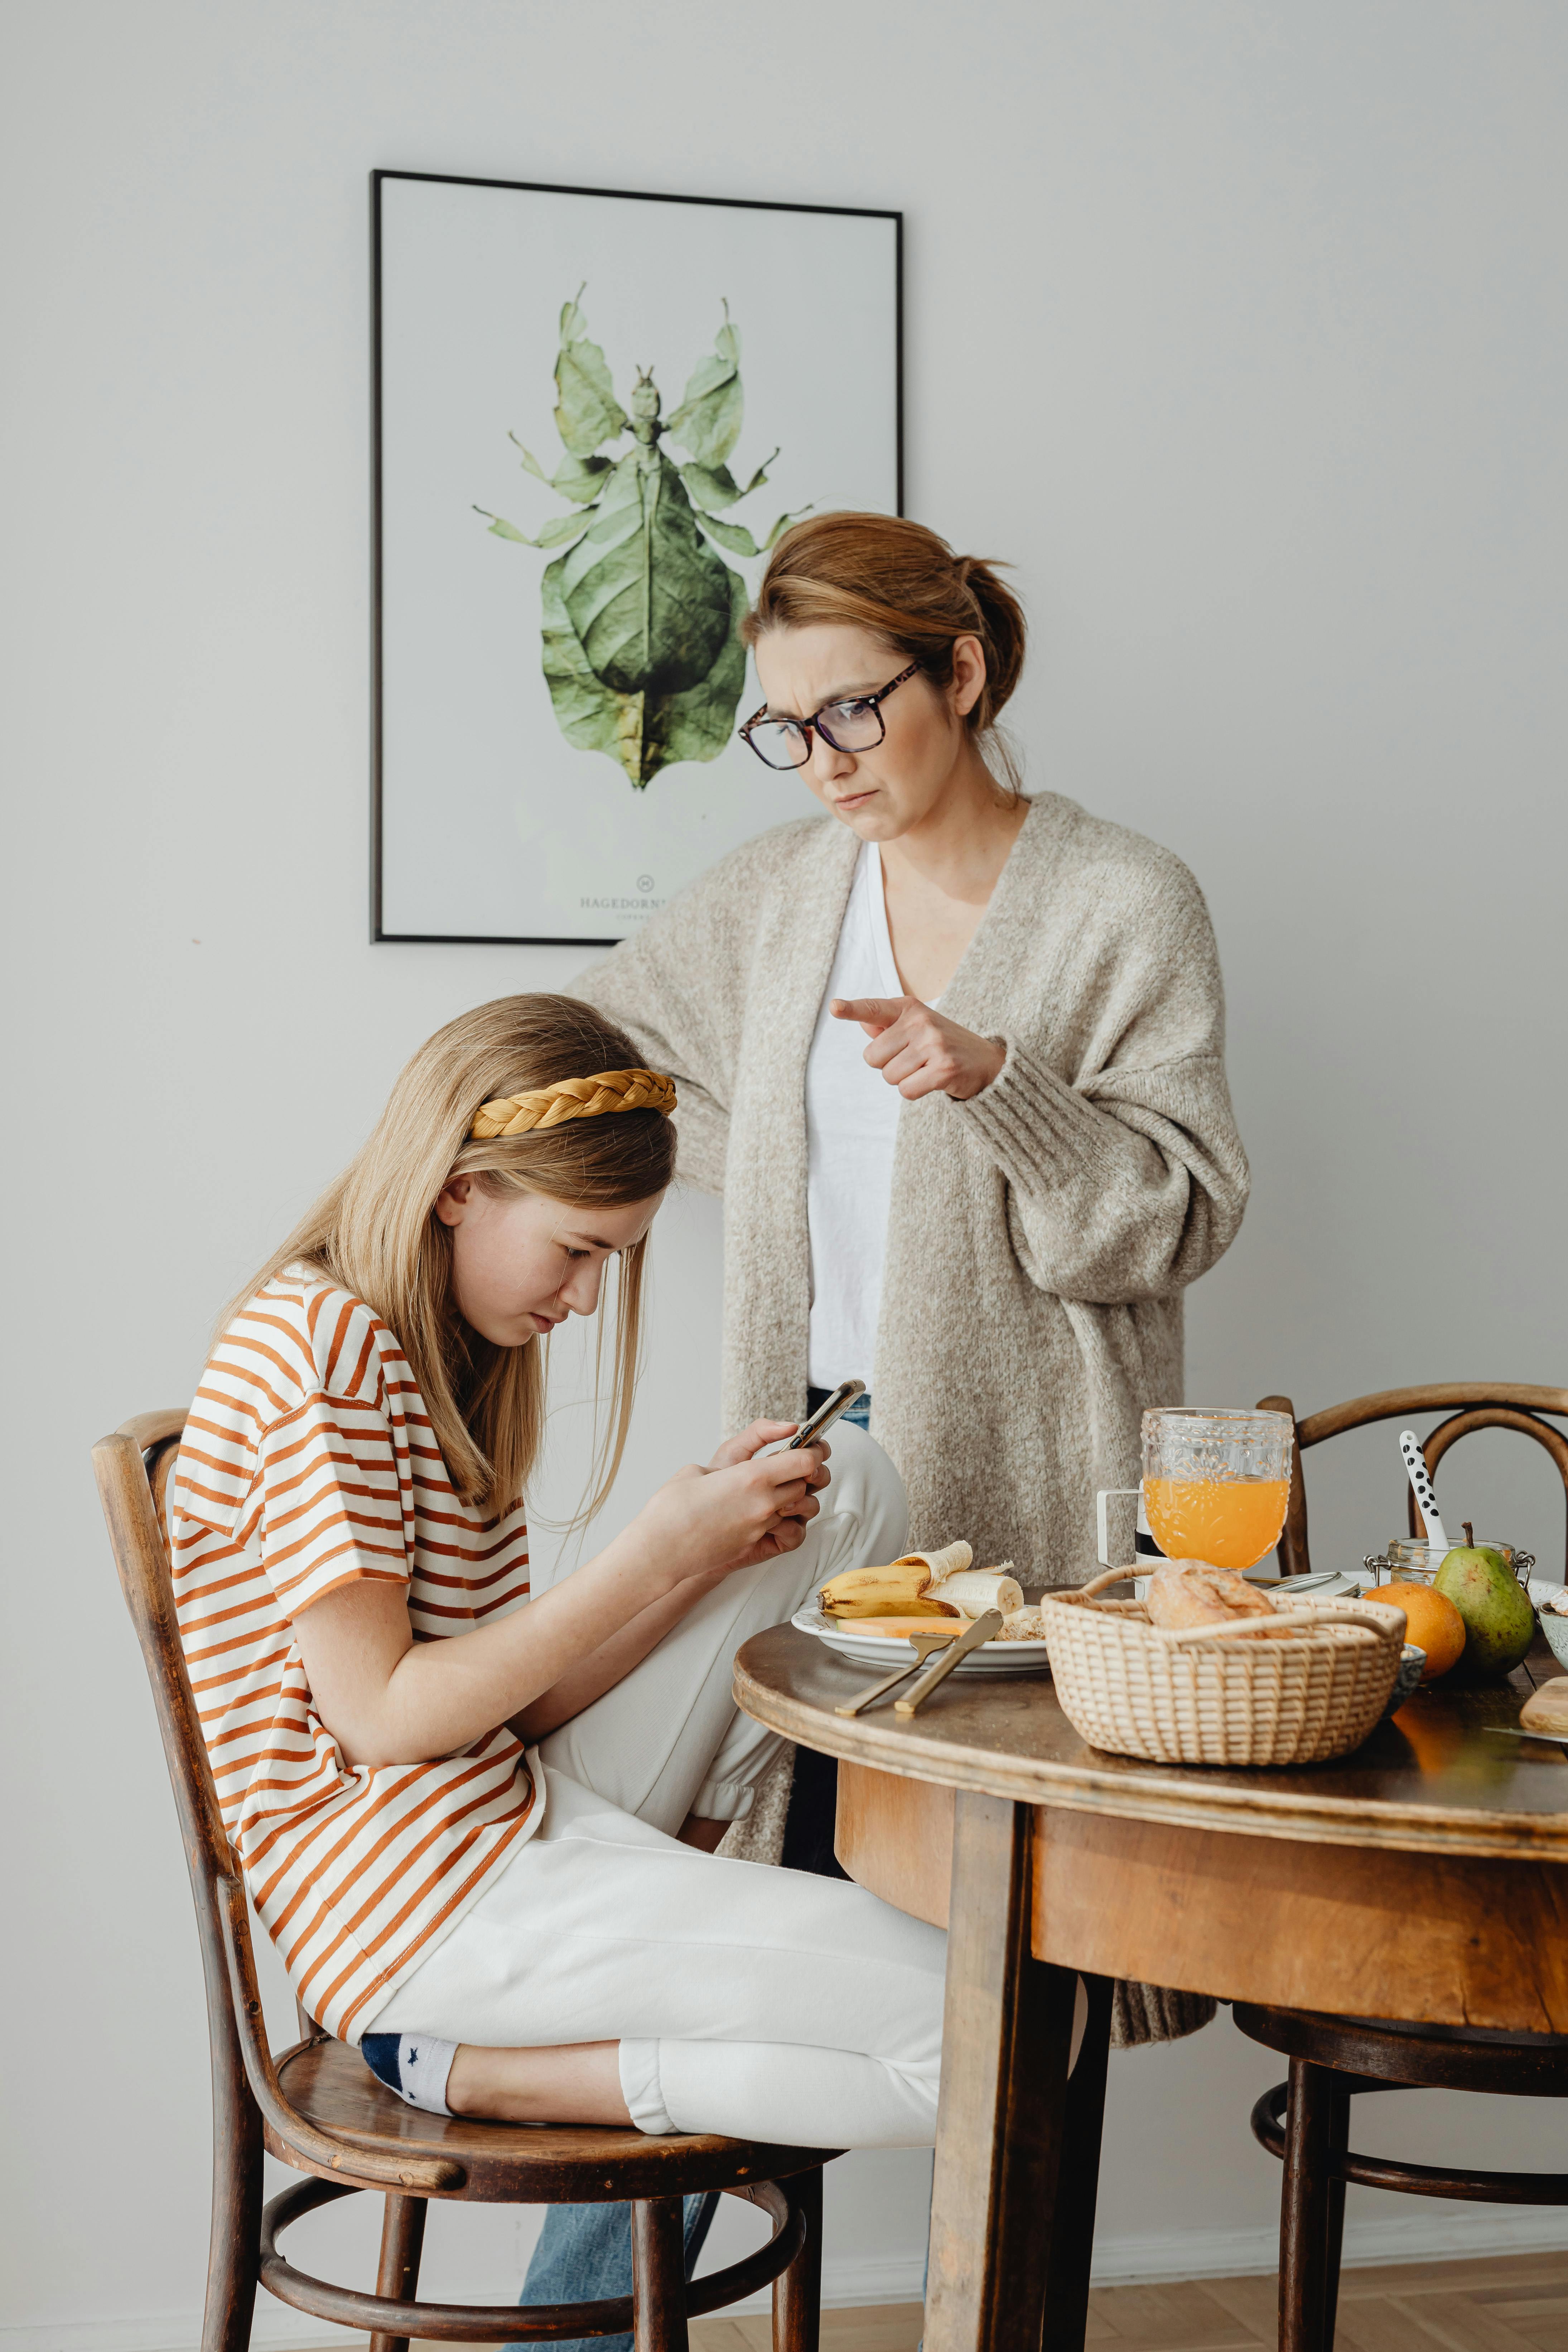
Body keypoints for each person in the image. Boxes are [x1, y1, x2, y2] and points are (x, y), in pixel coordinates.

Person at [167, 993, 945, 2147]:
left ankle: (657, 1891)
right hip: (412, 1901)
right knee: (982, 2013)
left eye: (611, 1259)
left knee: (851, 1483)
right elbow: (382, 1720)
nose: (585, 1298)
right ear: (457, 1186)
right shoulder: (317, 1348)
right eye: (576, 1248)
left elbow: (508, 1708)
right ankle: (486, 2070)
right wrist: (652, 1553)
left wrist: (700, 1561)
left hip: (496, 1805)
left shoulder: (438, 1348)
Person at [574, 512, 1250, 1624]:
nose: (825, 762)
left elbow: (1168, 1227)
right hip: (801, 1458)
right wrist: (758, 1150)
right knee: (804, 1793)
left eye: (851, 709)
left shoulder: (1124, 901)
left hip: (1031, 1472)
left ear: (962, 675)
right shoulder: (777, 895)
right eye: (788, 727)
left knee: (993, 1786)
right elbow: (582, 1046)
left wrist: (1001, 1088)